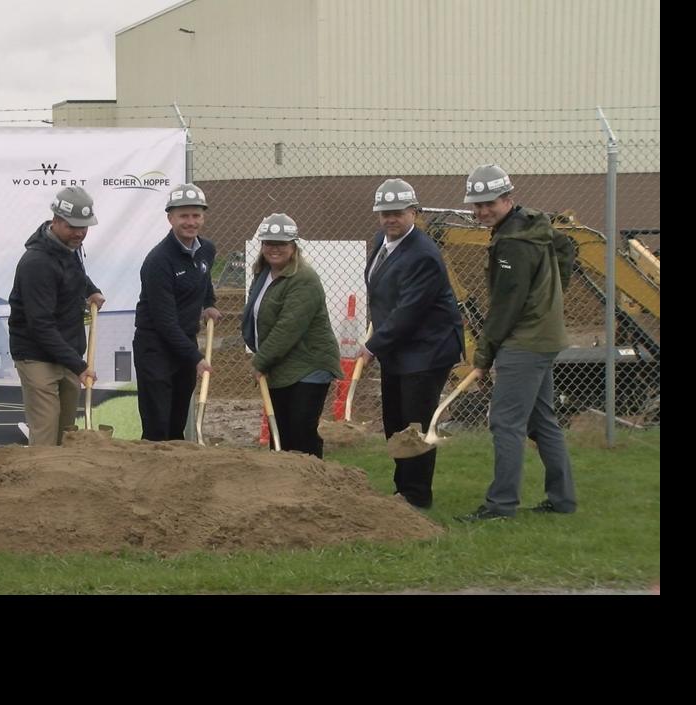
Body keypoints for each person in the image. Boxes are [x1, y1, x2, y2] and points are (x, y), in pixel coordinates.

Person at [456, 164, 578, 522]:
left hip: (524, 341)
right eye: (476, 206)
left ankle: (500, 506)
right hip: (544, 335)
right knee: (542, 421)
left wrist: (484, 353)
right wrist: (552, 298)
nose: (481, 211)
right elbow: (566, 248)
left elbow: (506, 305)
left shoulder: (512, 241)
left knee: (505, 423)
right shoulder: (532, 223)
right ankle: (562, 500)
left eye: (488, 203)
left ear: (508, 198)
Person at [362, 177, 463, 509]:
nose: (391, 219)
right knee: (395, 422)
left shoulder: (423, 255)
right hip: (398, 348)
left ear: (414, 212)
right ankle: (401, 490)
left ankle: (417, 496)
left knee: (415, 426)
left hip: (425, 351)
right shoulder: (381, 242)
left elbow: (409, 311)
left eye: (398, 213)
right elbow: (384, 297)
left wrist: (373, 345)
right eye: (385, 213)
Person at [8, 185, 103, 447]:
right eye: (73, 226)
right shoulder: (36, 263)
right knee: (46, 428)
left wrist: (91, 290)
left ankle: (62, 486)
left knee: (67, 429)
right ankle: (37, 483)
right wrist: (80, 366)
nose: (80, 232)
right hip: (36, 354)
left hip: (66, 352)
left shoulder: (68, 248)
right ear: (56, 221)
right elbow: (40, 325)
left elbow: (74, 275)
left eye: (84, 227)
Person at [244, 213, 341, 457]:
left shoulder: (304, 278)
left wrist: (260, 360)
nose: (274, 248)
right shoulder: (263, 274)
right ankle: (283, 487)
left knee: (301, 431)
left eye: (281, 243)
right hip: (281, 365)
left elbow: (288, 327)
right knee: (282, 432)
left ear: (293, 246)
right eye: (268, 243)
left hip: (309, 364)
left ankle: (312, 483)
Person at [132, 184, 221, 441]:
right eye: (184, 216)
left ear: (203, 217)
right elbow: (164, 321)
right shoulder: (158, 261)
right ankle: (152, 472)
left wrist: (209, 303)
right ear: (170, 218)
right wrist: (195, 357)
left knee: (177, 418)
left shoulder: (207, 250)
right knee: (157, 423)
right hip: (155, 346)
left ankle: (178, 477)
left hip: (183, 343)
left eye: (196, 215)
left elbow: (203, 280)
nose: (190, 222)